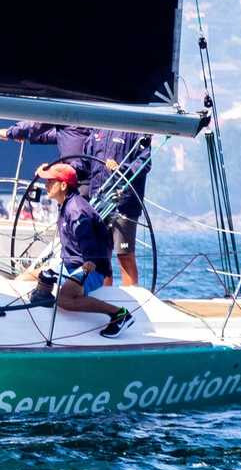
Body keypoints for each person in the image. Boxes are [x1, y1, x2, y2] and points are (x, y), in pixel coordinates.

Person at [23, 161, 133, 337]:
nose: (46, 184)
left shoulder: (76, 209)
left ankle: (119, 314)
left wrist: (88, 262)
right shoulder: (66, 203)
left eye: (51, 181)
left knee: (64, 299)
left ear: (63, 185)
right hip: (72, 264)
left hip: (91, 267)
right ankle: (42, 297)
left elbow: (86, 237)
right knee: (31, 275)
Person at [85, 127, 151, 285]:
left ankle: (131, 300)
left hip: (124, 205)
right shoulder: (96, 129)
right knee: (101, 257)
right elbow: (85, 160)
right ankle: (104, 298)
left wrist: (121, 168)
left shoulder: (135, 130)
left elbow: (145, 163)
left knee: (124, 255)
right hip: (98, 202)